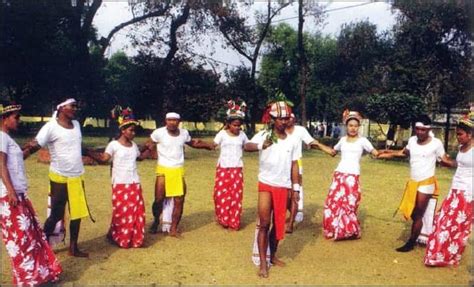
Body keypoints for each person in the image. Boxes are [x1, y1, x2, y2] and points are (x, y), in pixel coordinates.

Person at [0, 102, 62, 285]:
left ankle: (35, 276)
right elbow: (1, 165)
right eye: (16, 117)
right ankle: (27, 279)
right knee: (21, 240)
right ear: (4, 119)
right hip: (9, 196)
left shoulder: (8, 139)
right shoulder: (2, 137)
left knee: (30, 237)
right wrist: (11, 191)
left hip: (18, 194)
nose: (19, 121)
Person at [23, 98, 92, 257]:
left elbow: (77, 146)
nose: (76, 109)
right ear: (61, 108)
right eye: (72, 106)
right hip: (59, 177)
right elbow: (35, 144)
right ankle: (43, 246)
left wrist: (95, 155)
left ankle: (73, 247)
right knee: (56, 215)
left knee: (77, 214)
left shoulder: (76, 125)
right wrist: (18, 155)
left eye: (76, 106)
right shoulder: (51, 127)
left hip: (77, 176)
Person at [379, 115, 451, 252]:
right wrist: (386, 153)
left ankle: (411, 243)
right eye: (417, 129)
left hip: (427, 183)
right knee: (413, 213)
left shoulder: (436, 143)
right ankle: (421, 235)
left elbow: (445, 160)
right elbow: (404, 153)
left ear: (428, 129)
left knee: (418, 213)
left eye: (422, 130)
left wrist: (459, 164)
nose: (419, 132)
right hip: (413, 182)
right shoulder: (412, 140)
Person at [245, 100, 300, 278]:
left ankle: (272, 256)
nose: (284, 122)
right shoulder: (264, 135)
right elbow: (247, 146)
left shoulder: (293, 141)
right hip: (266, 184)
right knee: (264, 224)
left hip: (284, 186)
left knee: (277, 226)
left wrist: (296, 188)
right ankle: (263, 263)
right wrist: (262, 145)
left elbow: (294, 166)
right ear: (272, 119)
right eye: (280, 119)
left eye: (286, 118)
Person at [315, 111, 381, 240]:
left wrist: (385, 153)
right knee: (333, 202)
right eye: (350, 125)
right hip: (339, 174)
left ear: (359, 127)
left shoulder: (363, 141)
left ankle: (351, 230)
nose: (353, 128)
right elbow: (333, 152)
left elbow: (375, 152)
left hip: (352, 176)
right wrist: (317, 145)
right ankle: (334, 229)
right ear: (346, 126)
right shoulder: (342, 140)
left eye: (355, 126)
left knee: (349, 204)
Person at [88, 109, 149, 248]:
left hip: (135, 183)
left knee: (136, 212)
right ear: (123, 130)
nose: (133, 133)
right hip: (120, 184)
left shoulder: (133, 146)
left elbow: (139, 158)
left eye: (134, 131)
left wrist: (149, 149)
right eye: (131, 130)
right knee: (122, 212)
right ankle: (120, 237)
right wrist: (89, 152)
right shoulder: (113, 145)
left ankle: (134, 239)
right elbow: (104, 159)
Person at [147, 112, 214, 237]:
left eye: (175, 120)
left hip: (178, 170)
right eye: (169, 120)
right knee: (158, 199)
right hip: (163, 170)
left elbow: (193, 143)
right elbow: (148, 144)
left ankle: (173, 228)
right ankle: (156, 221)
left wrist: (207, 146)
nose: (172, 122)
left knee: (179, 200)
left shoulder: (184, 133)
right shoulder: (158, 133)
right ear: (165, 121)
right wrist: (149, 151)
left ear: (179, 122)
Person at [424, 112, 473, 266]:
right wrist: (444, 161)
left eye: (460, 134)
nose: (458, 137)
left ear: (470, 134)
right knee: (441, 221)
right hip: (455, 190)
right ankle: (439, 255)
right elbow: (458, 165)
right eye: (457, 134)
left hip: (468, 193)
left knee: (456, 226)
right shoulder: (462, 147)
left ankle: (448, 257)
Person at [212, 100, 249, 230]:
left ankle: (234, 221)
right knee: (221, 194)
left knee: (236, 196)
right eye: (234, 125)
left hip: (237, 169)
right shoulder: (222, 134)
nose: (237, 128)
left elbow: (248, 146)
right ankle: (223, 218)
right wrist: (199, 143)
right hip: (223, 168)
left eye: (239, 126)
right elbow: (213, 145)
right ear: (228, 124)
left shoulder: (243, 135)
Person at [285, 113, 320, 233]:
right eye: (286, 118)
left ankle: (298, 211)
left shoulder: (300, 130)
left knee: (297, 186)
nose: (289, 120)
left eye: (291, 118)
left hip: (296, 162)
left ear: (295, 120)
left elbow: (311, 141)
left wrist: (324, 147)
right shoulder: (279, 130)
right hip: (281, 163)